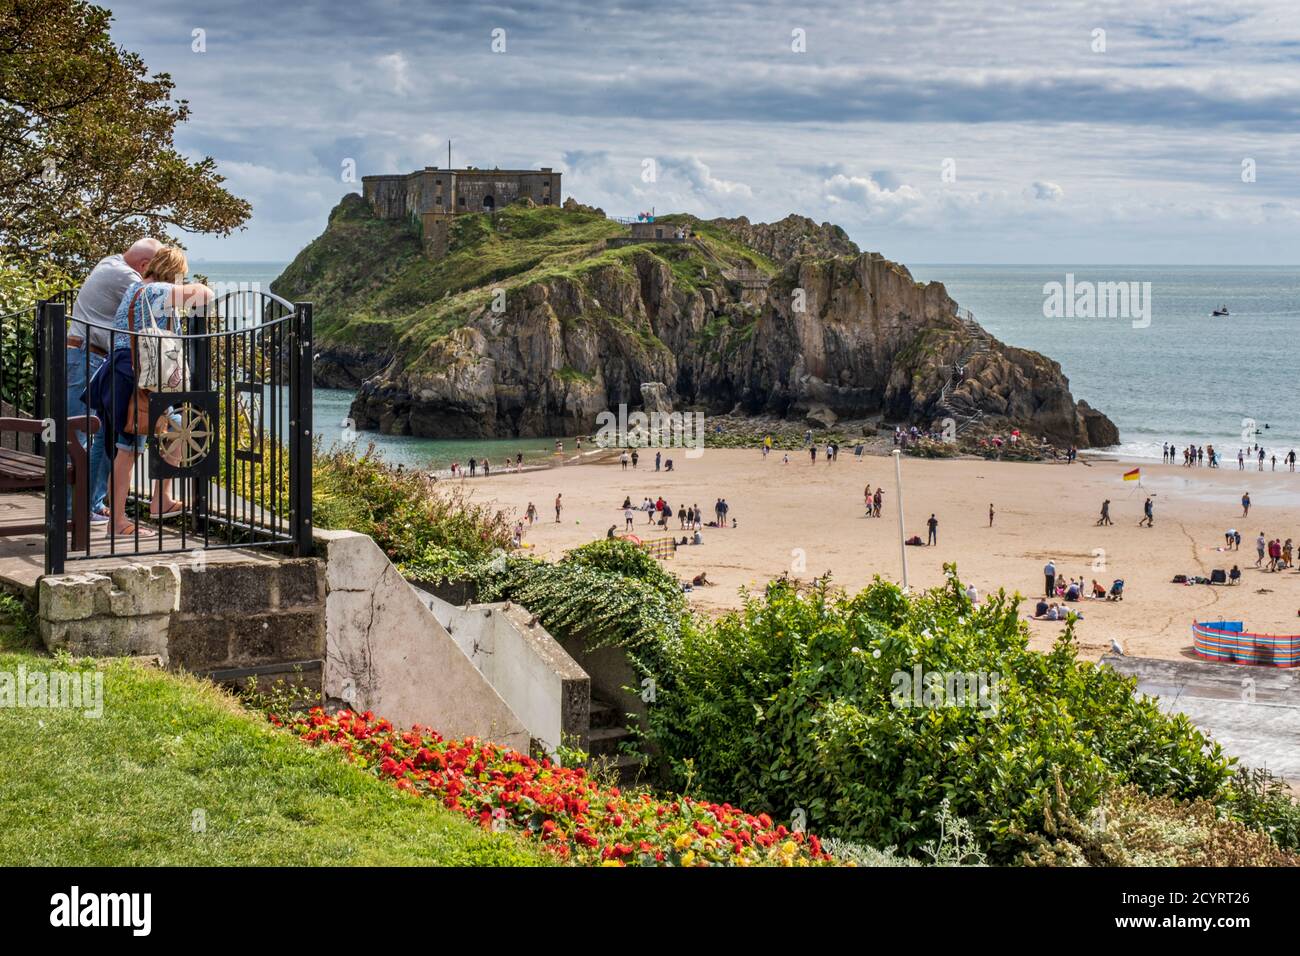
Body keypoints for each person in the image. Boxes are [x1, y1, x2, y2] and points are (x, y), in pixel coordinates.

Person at [99, 246, 211, 537]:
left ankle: (160, 500)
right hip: (135, 374)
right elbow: (205, 296)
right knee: (129, 448)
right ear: (172, 271)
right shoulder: (156, 291)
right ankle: (119, 522)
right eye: (180, 274)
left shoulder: (136, 288)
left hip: (129, 370)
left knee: (175, 429)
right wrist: (186, 285)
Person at [69, 237, 161, 523]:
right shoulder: (126, 277)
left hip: (92, 358)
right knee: (78, 434)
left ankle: (89, 504)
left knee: (102, 434)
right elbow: (155, 300)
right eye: (156, 270)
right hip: (89, 357)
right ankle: (72, 511)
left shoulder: (110, 260)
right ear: (145, 265)